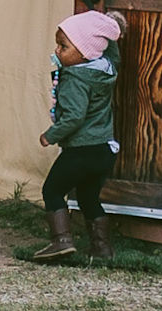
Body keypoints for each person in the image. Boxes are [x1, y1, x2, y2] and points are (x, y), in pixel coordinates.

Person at [33, 14, 118, 264]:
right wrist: (111, 29)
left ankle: (61, 241)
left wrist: (50, 135)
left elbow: (74, 117)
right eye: (57, 45)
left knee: (52, 190)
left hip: (80, 151)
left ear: (85, 52)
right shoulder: (106, 69)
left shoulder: (74, 79)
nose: (57, 51)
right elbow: (113, 52)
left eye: (64, 47)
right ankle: (102, 249)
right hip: (104, 150)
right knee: (88, 197)